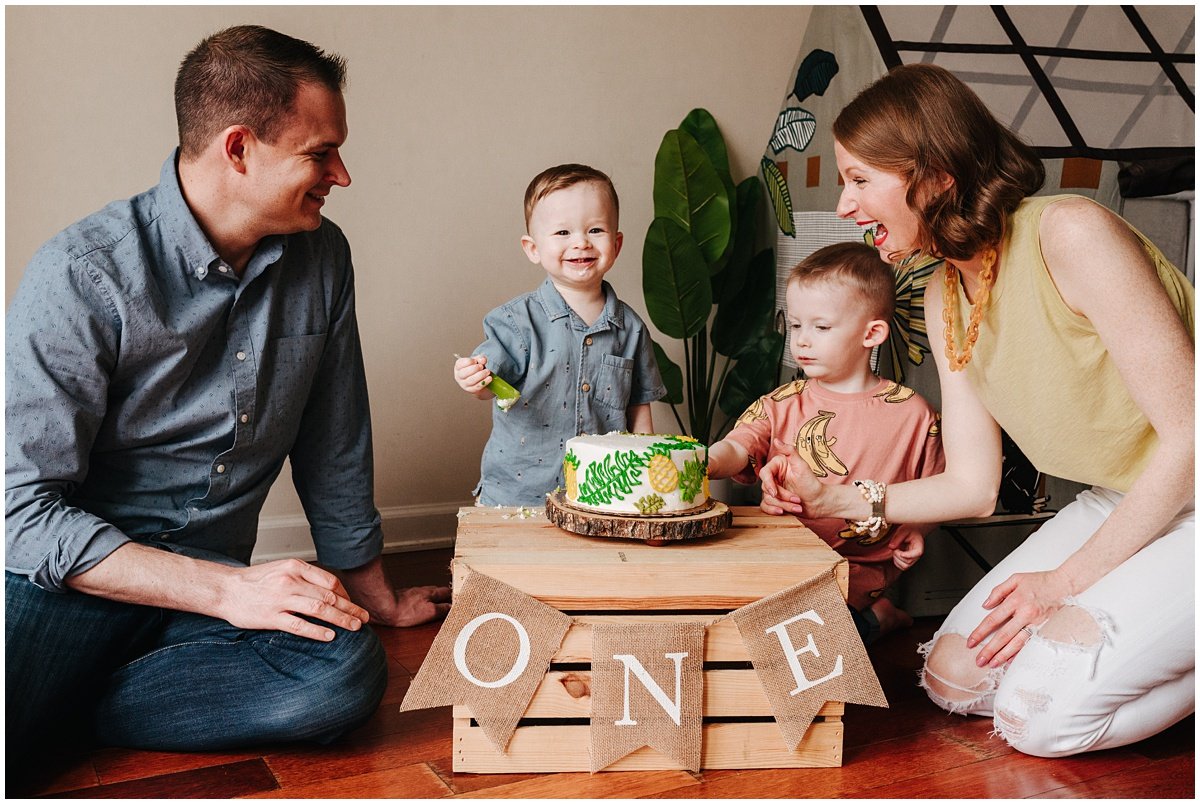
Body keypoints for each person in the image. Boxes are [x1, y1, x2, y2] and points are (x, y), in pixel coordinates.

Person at [5, 25, 451, 781]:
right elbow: (20, 514)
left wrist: (374, 593)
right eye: (320, 152)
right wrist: (230, 589)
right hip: (66, 586)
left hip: (202, 605)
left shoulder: (323, 256)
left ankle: (69, 708)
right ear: (239, 148)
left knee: (343, 673)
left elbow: (333, 436)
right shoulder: (82, 275)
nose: (340, 174)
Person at [759, 63, 1194, 757]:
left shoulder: (1071, 233)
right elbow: (973, 484)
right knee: (954, 678)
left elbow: (1191, 437)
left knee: (1038, 721)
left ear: (934, 176)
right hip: (1128, 496)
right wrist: (831, 493)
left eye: (860, 180)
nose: (845, 206)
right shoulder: (943, 294)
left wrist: (1064, 583)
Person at [708, 242, 944, 644]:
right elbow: (738, 446)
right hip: (779, 561)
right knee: (732, 628)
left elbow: (941, 487)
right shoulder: (782, 401)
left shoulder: (914, 414)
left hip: (856, 572)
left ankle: (876, 616)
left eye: (820, 327)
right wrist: (702, 460)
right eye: (796, 325)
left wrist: (918, 528)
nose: (801, 341)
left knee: (808, 643)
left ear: (872, 333)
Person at [453, 164, 666, 506]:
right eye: (563, 233)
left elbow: (639, 406)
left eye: (595, 229)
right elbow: (487, 384)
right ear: (533, 248)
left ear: (617, 242)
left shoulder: (632, 328)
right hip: (518, 497)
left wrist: (647, 474)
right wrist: (472, 377)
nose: (581, 241)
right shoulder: (515, 322)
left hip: (602, 498)